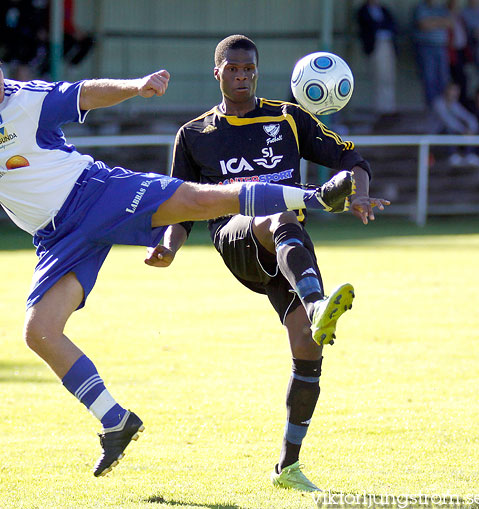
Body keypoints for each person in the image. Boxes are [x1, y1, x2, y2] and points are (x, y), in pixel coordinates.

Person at [0, 32, 365, 479]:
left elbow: (84, 93)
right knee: (39, 331)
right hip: (57, 238)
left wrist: (137, 85)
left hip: (97, 194)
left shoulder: (24, 99)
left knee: (196, 198)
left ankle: (317, 197)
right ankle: (116, 422)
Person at [145, 35, 389, 492]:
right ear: (217, 72)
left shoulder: (288, 118)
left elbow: (351, 157)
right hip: (236, 238)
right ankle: (317, 304)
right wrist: (170, 246)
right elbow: (178, 208)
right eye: (234, 70)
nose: (243, 77)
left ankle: (288, 467)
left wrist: (356, 190)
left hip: (289, 246)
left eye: (250, 70)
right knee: (271, 214)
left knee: (308, 350)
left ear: (258, 71)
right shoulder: (194, 134)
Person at [357, 0, 398, 115]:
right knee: (379, 77)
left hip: (387, 44)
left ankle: (390, 107)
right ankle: (381, 109)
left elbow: (392, 25)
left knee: (389, 77)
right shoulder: (363, 11)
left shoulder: (384, 10)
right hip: (375, 46)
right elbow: (367, 27)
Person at [432, 81, 479, 166]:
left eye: (456, 91)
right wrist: (464, 130)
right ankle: (452, 155)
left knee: (472, 129)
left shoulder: (454, 104)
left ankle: (470, 155)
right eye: (453, 90)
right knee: (449, 129)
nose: (454, 93)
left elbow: (469, 118)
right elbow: (449, 122)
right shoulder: (438, 104)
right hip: (435, 136)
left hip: (454, 134)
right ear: (447, 90)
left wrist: (472, 128)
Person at [412, 0, 453, 105]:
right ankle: (432, 108)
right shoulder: (421, 8)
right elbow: (424, 25)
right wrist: (441, 22)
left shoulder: (441, 8)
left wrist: (433, 22)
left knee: (443, 78)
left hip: (441, 47)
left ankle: (444, 107)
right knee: (429, 78)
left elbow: (449, 22)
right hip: (426, 47)